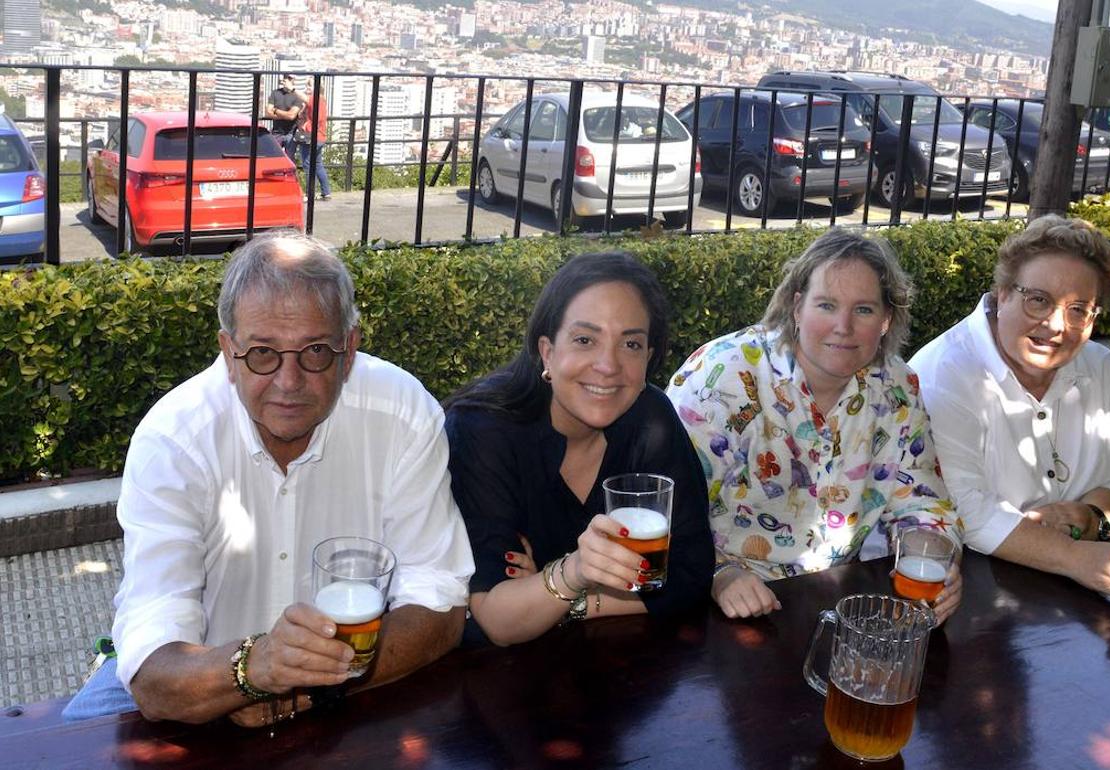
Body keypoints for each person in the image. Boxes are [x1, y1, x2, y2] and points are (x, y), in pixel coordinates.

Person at [62, 231, 475, 726]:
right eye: (262, 353)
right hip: (205, 687)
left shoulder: (402, 412)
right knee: (59, 741)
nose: (288, 382)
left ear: (350, 349)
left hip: (352, 682)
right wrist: (249, 672)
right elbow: (153, 663)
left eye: (315, 351)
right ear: (227, 352)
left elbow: (440, 603)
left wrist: (299, 691)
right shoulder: (173, 440)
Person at [666, 229, 965, 624]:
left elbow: (922, 499)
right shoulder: (721, 379)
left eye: (863, 310)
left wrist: (932, 551)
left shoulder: (897, 387)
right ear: (796, 306)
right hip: (718, 606)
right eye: (826, 305)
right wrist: (719, 572)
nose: (843, 326)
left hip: (834, 605)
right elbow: (666, 506)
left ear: (887, 319)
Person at [443, 251, 714, 646]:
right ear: (547, 351)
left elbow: (692, 574)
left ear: (649, 358)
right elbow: (498, 621)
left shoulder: (651, 419)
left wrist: (559, 597)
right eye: (585, 339)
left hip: (621, 672)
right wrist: (575, 571)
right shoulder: (483, 429)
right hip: (500, 683)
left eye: (631, 344)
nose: (608, 365)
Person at [909, 214, 1110, 608]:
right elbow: (964, 510)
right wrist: (1074, 557)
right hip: (969, 599)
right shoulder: (942, 374)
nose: (1055, 325)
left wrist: (1093, 516)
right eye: (1038, 300)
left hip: (1081, 600)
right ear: (1002, 293)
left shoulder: (1105, 370)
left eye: (1079, 309)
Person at [294, 76, 332, 201]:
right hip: (320, 136)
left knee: (307, 164)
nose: (307, 88)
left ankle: (310, 193)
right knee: (318, 164)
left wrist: (292, 88)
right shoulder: (322, 100)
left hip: (311, 137)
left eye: (309, 85)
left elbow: (304, 99)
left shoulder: (315, 99)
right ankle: (326, 192)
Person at [266, 73, 302, 160]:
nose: (287, 81)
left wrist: (276, 111)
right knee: (273, 157)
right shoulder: (275, 93)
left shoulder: (297, 96)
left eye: (290, 79)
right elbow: (268, 112)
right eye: (286, 78)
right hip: (276, 131)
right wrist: (286, 115)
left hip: (291, 132)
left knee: (289, 158)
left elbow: (292, 116)